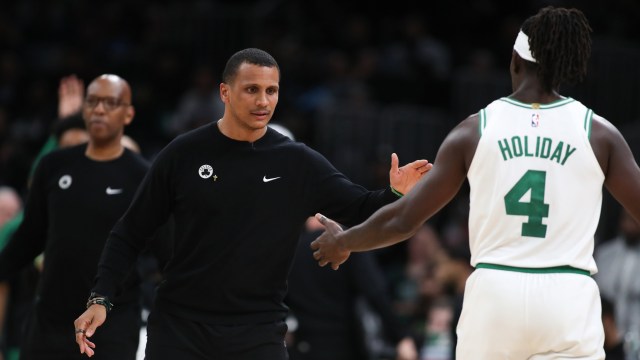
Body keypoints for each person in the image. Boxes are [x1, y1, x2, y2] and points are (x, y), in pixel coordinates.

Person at [311, 6, 640, 359]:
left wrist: (345, 242)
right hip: (566, 296)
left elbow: (403, 219)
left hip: (495, 293)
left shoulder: (475, 129)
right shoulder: (599, 133)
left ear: (515, 60)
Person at [73, 47, 431, 360]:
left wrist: (395, 194)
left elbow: (361, 208)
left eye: (271, 90)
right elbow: (130, 232)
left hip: (257, 332)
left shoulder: (297, 162)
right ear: (225, 93)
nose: (263, 101)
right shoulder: (183, 153)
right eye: (252, 90)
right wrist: (101, 296)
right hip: (179, 327)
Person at [0, 74, 150, 360]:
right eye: (92, 101)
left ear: (128, 113)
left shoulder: (142, 175)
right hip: (49, 319)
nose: (100, 109)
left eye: (111, 102)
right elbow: (29, 238)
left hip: (112, 321)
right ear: (83, 109)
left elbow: (165, 248)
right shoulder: (53, 166)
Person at [285, 216, 418, 360]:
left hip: (303, 347)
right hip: (344, 346)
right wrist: (401, 336)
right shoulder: (347, 246)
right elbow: (375, 292)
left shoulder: (290, 252)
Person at [594, 209, 640, 357]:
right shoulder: (604, 254)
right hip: (606, 344)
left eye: (634, 218)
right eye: (626, 218)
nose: (630, 223)